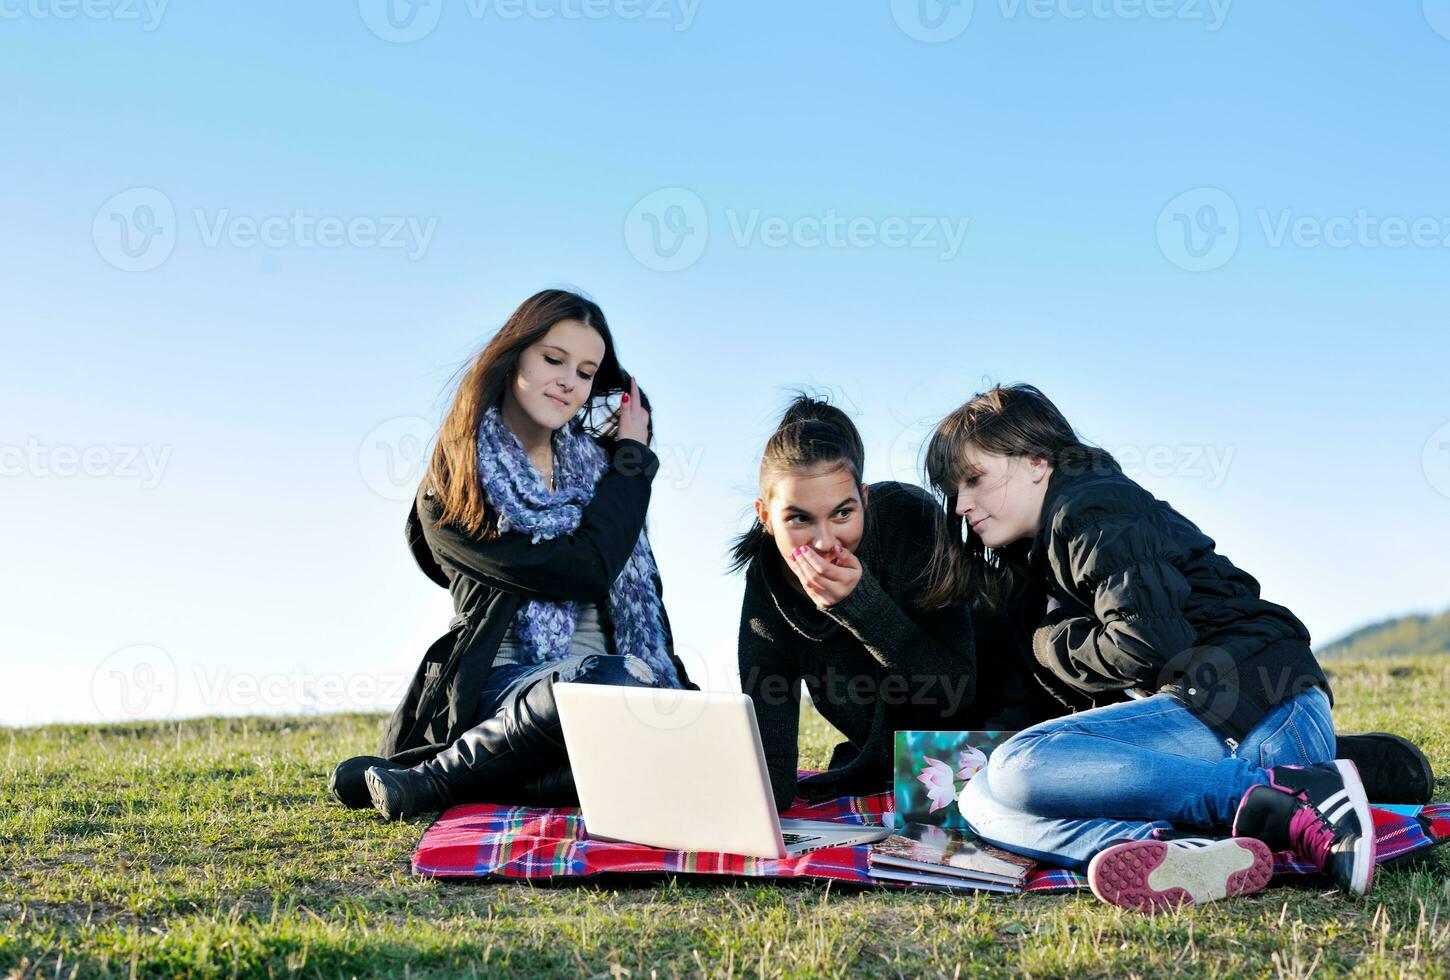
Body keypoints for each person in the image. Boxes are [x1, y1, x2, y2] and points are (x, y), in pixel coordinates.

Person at [922, 383, 1375, 911]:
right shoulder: (1042, 550)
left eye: (974, 480)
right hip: (1228, 731)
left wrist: (1050, 642)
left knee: (1018, 763)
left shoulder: (1093, 509)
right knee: (981, 794)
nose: (960, 506)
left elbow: (1148, 644)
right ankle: (1169, 852)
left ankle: (1296, 795)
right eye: (954, 489)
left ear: (1037, 461)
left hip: (1257, 707)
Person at [328, 289, 696, 820]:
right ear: (512, 356)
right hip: (505, 687)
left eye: (588, 372)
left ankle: (420, 770)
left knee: (685, 742)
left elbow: (615, 568)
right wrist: (633, 464)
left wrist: (621, 460)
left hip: (615, 688)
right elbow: (586, 570)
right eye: (553, 359)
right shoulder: (455, 483)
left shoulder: (600, 472)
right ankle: (431, 780)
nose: (570, 381)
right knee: (606, 683)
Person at [731, 395, 980, 811]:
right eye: (799, 518)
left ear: (863, 498)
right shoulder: (765, 580)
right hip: (886, 772)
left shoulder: (909, 520)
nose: (825, 542)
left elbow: (957, 695)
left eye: (842, 514)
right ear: (765, 516)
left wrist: (860, 607)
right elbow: (772, 753)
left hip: (979, 746)